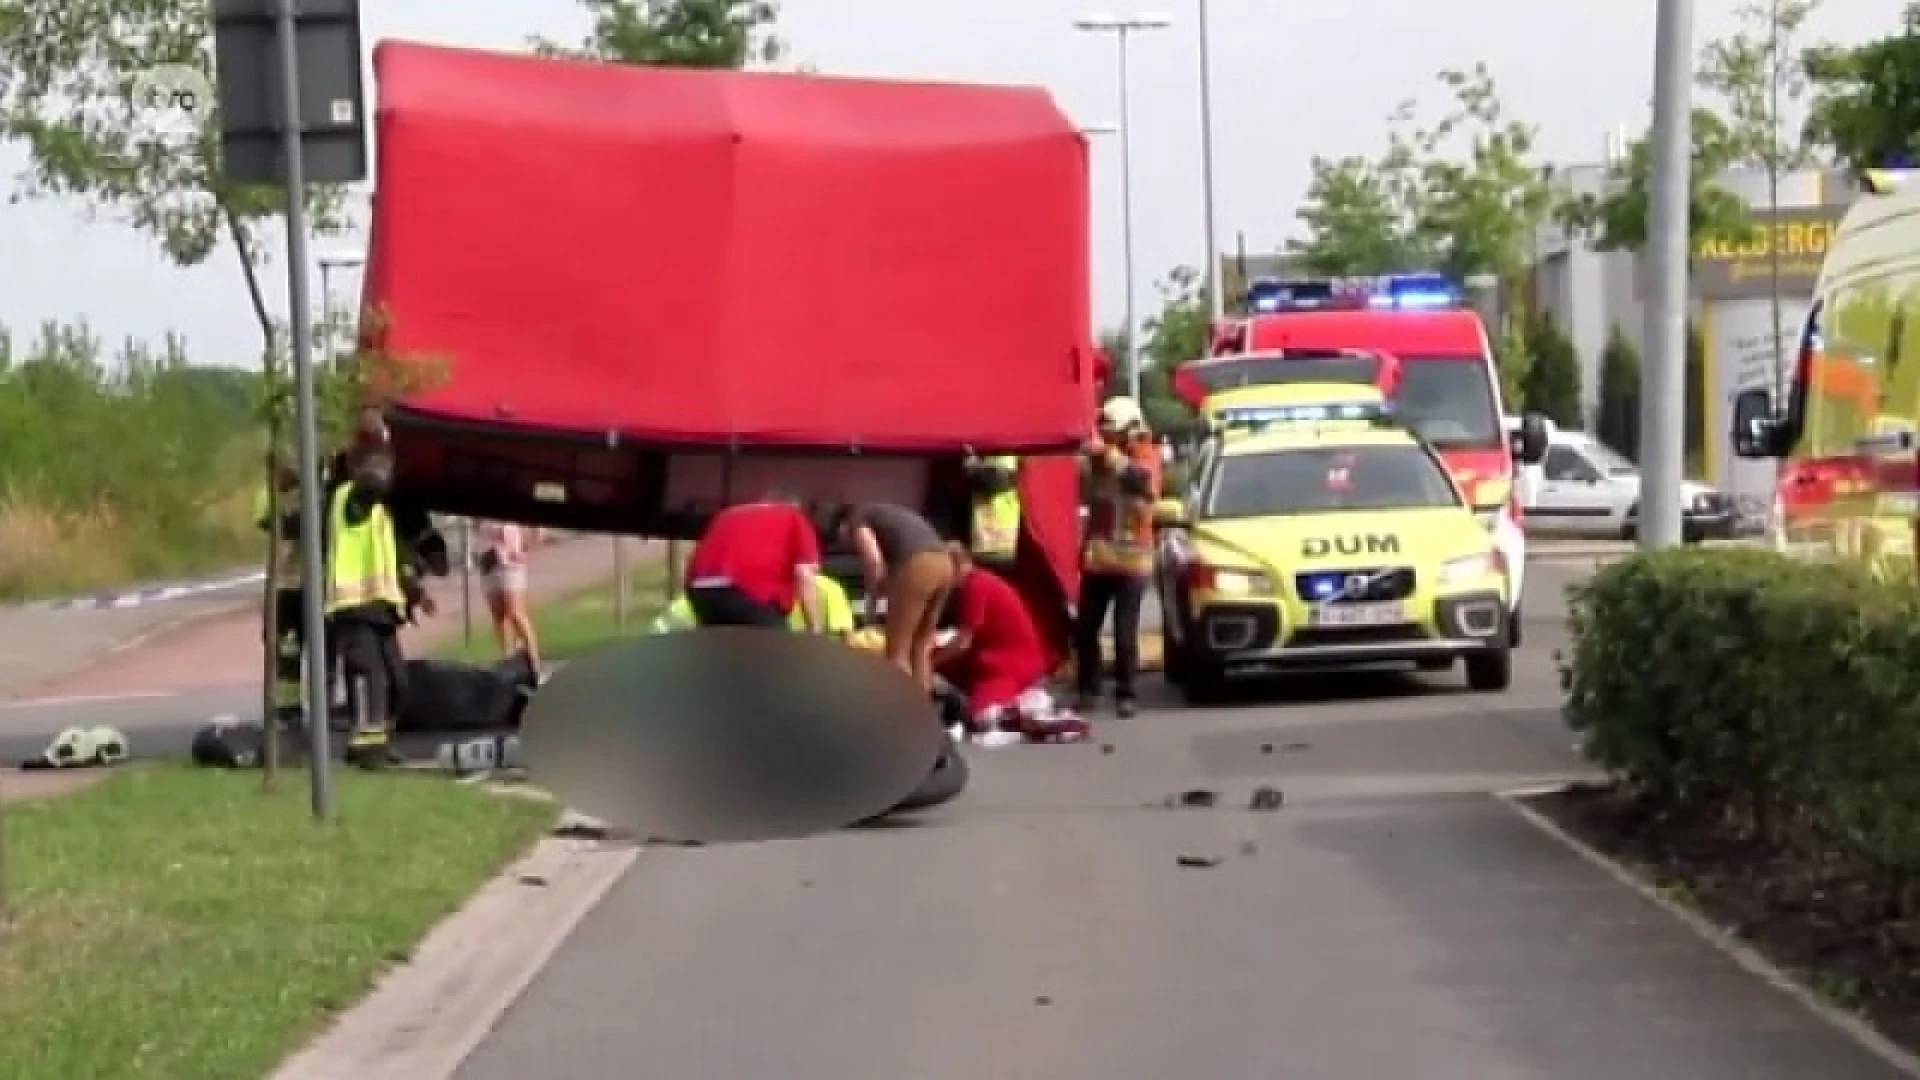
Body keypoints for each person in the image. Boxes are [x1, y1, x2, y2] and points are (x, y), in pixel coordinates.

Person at [325, 450, 433, 768]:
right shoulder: (349, 499)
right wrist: (383, 468)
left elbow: (394, 556)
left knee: (397, 679)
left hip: (381, 607)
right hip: (353, 604)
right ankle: (364, 747)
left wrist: (415, 591)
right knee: (367, 673)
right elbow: (369, 488)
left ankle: (379, 740)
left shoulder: (382, 511)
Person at [934, 544, 1087, 745]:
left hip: (1007, 663)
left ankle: (1028, 714)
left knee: (982, 716)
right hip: (1001, 657)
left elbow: (963, 642)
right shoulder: (981, 581)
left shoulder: (976, 587)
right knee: (952, 671)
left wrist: (931, 662)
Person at [1075, 395, 1162, 718]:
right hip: (1098, 558)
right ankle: (1088, 689)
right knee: (1085, 629)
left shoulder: (1145, 455)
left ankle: (1126, 694)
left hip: (1132, 561)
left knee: (1125, 634)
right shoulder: (1097, 459)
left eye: (1112, 430)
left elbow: (1145, 485)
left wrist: (1109, 455)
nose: (1106, 435)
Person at [833, 502, 952, 691]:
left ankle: (902, 711)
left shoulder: (857, 520)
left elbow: (874, 562)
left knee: (897, 651)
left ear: (842, 526)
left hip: (918, 563)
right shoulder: (885, 513)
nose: (846, 546)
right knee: (920, 645)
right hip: (945, 563)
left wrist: (870, 606)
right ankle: (925, 711)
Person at [683, 496, 823, 630]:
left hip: (701, 591)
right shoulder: (794, 517)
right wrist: (815, 628)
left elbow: (695, 558)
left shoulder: (726, 515)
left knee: (723, 649)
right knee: (777, 650)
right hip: (751, 591)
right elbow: (804, 574)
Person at [254, 454, 309, 724]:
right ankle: (287, 708)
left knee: (321, 649)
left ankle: (321, 706)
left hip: (310, 583)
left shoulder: (313, 491)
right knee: (283, 650)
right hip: (283, 583)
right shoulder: (269, 495)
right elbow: (272, 523)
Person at [476, 518, 541, 669]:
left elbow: (535, 527)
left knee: (516, 613)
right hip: (488, 561)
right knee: (498, 615)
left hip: (510, 561)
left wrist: (528, 548)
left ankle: (534, 663)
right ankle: (507, 658)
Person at [964, 454, 1022, 579]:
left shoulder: (1004, 454)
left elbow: (995, 479)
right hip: (994, 540)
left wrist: (971, 466)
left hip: (995, 542)